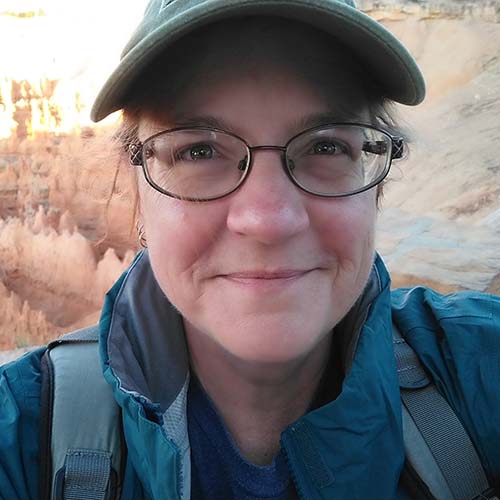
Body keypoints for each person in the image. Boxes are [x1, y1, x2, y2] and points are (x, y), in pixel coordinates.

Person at [1, 0, 500, 499]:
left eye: (326, 147)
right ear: (138, 196)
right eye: (198, 151)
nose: (268, 220)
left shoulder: (476, 369)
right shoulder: (22, 434)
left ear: (375, 188)